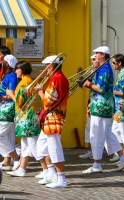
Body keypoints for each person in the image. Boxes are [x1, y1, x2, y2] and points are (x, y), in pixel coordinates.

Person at [82, 46, 124, 173]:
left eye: (97, 53)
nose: (95, 56)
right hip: (101, 107)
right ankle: (123, 158)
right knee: (109, 135)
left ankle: (97, 164)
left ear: (103, 55)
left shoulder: (104, 69)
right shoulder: (103, 68)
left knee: (96, 136)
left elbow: (101, 89)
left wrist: (88, 84)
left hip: (101, 108)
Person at [6, 61, 47, 177]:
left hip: (26, 118)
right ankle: (22, 169)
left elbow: (19, 102)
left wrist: (10, 93)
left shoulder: (23, 83)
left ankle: (46, 169)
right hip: (29, 117)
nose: (15, 71)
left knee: (33, 145)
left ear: (22, 70)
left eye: (17, 69)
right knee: (25, 145)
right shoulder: (30, 81)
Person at [35, 55, 69, 188]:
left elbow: (48, 101)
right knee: (42, 146)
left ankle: (61, 179)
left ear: (51, 66)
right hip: (50, 117)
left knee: (54, 148)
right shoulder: (58, 78)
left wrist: (40, 92)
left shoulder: (57, 78)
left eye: (46, 67)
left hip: (54, 117)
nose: (46, 70)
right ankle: (51, 174)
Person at [0, 55, 20, 171]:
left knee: (1, 135)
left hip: (8, 110)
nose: (2, 62)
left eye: (4, 61)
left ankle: (16, 157)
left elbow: (12, 95)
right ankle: (8, 161)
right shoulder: (9, 76)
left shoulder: (11, 77)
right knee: (8, 136)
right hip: (5, 109)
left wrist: (2, 98)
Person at [79, 54, 100, 160]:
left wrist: (87, 82)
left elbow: (99, 88)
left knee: (101, 131)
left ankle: (117, 153)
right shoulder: (95, 72)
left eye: (93, 60)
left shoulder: (99, 73)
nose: (92, 63)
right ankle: (91, 151)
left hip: (98, 105)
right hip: (92, 102)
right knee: (90, 129)